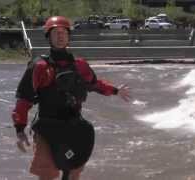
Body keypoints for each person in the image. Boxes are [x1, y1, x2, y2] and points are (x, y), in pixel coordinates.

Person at [11, 16, 131, 180]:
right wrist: (20, 130)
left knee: (73, 172)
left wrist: (116, 90)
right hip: (47, 128)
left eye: (63, 33)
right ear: (48, 37)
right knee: (47, 174)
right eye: (55, 33)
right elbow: (24, 99)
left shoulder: (80, 65)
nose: (60, 36)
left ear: (68, 36)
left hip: (74, 127)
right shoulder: (39, 66)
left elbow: (94, 85)